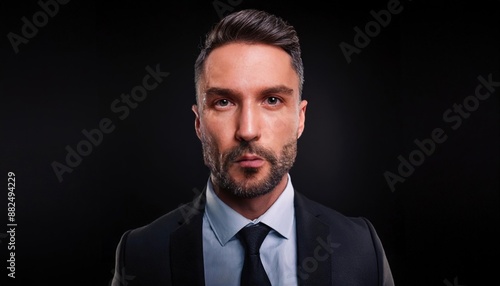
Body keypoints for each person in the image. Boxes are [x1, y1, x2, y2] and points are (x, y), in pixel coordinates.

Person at [111, 8, 394, 286]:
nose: (247, 130)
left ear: (300, 118)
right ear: (199, 123)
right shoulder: (140, 255)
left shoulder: (361, 247)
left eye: (272, 100)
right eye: (224, 102)